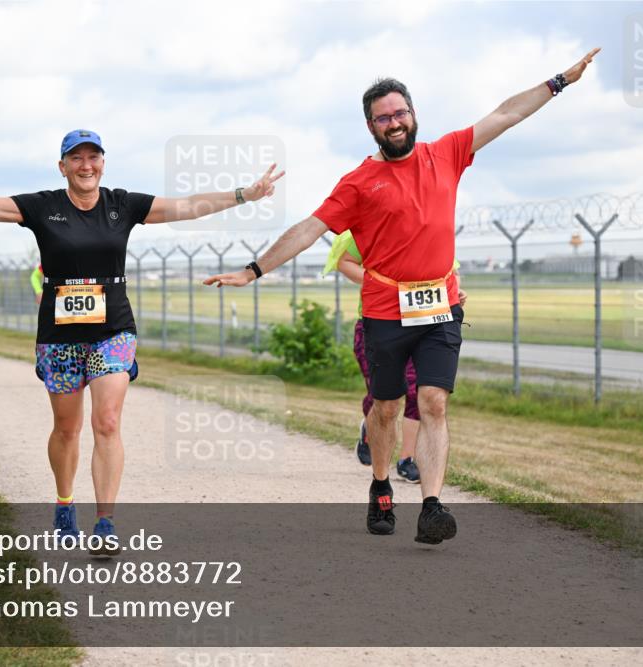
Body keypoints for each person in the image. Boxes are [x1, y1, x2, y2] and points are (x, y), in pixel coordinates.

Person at [206, 49, 600, 545]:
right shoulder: (357, 183)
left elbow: (506, 113)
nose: (394, 122)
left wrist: (561, 80)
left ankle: (432, 506)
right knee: (387, 408)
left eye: (400, 113)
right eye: (383, 118)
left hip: (440, 307)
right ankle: (380, 485)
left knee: (433, 401)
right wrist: (253, 269)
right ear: (370, 127)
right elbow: (308, 229)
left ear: (413, 114)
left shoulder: (448, 152)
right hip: (385, 313)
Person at [0, 129, 283, 554]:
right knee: (67, 429)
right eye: (77, 158)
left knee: (107, 421)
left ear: (103, 163)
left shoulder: (122, 205)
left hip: (113, 331)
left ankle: (105, 522)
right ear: (62, 165)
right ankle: (65, 502)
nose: (86, 165)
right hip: (59, 336)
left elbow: (184, 207)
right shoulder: (42, 207)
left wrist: (244, 194)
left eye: (94, 157)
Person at [325, 233, 468, 482]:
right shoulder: (371, 225)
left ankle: (406, 459)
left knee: (417, 392)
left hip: (424, 323)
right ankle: (370, 430)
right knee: (385, 399)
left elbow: (450, 270)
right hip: (380, 324)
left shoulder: (431, 223)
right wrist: (386, 286)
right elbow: (345, 262)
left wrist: (455, 291)